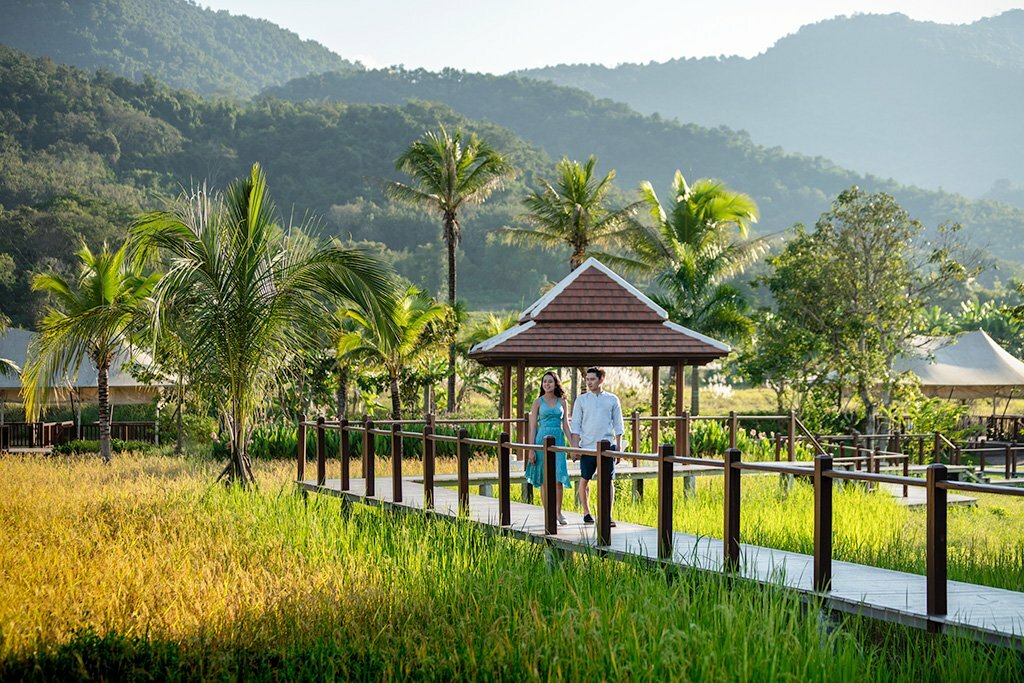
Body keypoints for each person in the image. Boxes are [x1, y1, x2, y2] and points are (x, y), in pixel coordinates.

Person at [570, 367, 624, 525]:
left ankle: (607, 515)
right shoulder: (581, 400)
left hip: (607, 447)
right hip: (587, 446)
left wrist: (619, 448)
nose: (589, 382)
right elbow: (576, 426)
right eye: (587, 379)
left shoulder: (612, 399)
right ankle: (586, 512)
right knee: (585, 479)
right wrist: (575, 448)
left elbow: (618, 424)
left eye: (592, 379)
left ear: (601, 380)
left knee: (608, 481)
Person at [524, 371, 573, 525]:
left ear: (555, 383)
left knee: (558, 478)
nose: (547, 384)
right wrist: (531, 450)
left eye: (550, 381)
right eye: (545, 381)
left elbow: (566, 425)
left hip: (558, 440)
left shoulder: (562, 402)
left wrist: (574, 448)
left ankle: (558, 512)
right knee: (545, 479)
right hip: (541, 441)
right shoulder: (537, 402)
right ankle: (548, 512)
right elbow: (532, 428)